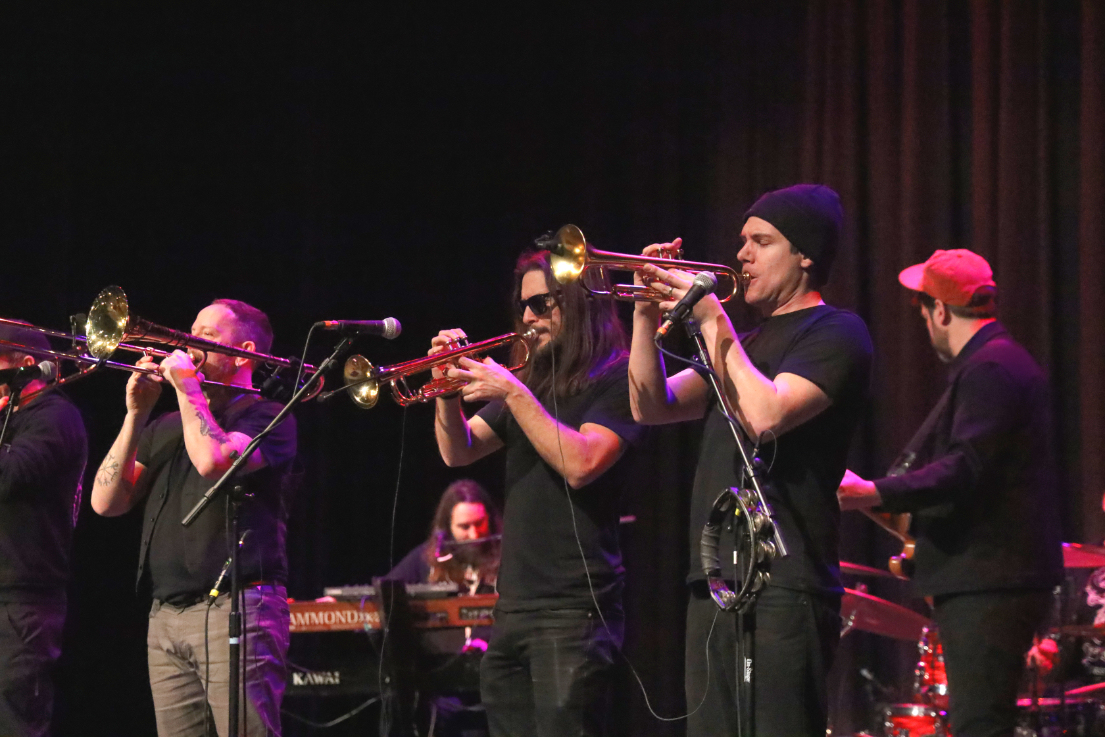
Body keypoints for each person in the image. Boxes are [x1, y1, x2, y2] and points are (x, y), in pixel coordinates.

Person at [628, 184, 873, 736]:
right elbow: (650, 406)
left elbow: (766, 414)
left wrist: (715, 322)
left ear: (806, 254)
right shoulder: (747, 342)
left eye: (761, 241)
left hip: (786, 582)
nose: (741, 255)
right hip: (716, 580)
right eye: (742, 241)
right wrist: (645, 314)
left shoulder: (837, 332)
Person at [837, 248, 1063, 737]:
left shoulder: (990, 369)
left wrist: (871, 491)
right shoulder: (993, 364)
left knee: (980, 724)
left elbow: (965, 469)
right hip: (990, 576)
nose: (925, 322)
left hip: (990, 579)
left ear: (939, 310)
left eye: (923, 311)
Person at [432, 247, 644, 737]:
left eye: (543, 304)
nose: (528, 318)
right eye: (525, 305)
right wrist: (445, 391)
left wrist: (512, 391)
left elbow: (583, 463)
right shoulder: (532, 383)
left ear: (581, 302)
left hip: (573, 611)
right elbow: (457, 451)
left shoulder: (617, 376)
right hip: (512, 608)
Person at [90, 299, 298, 737]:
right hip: (165, 616)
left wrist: (188, 390)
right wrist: (136, 415)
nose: (187, 343)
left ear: (242, 353)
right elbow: (106, 502)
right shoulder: (166, 425)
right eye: (190, 331)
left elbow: (214, 462)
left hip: (237, 608)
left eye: (206, 336)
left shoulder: (270, 416)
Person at [0, 323, 88, 737]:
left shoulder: (56, 415)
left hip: (23, 599)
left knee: (16, 719)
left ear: (24, 366)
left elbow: (10, 477)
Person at [387, 478, 501, 597]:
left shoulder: (507, 556)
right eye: (464, 527)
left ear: (490, 519)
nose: (474, 535)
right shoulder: (426, 557)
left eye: (479, 524)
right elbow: (386, 592)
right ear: (447, 527)